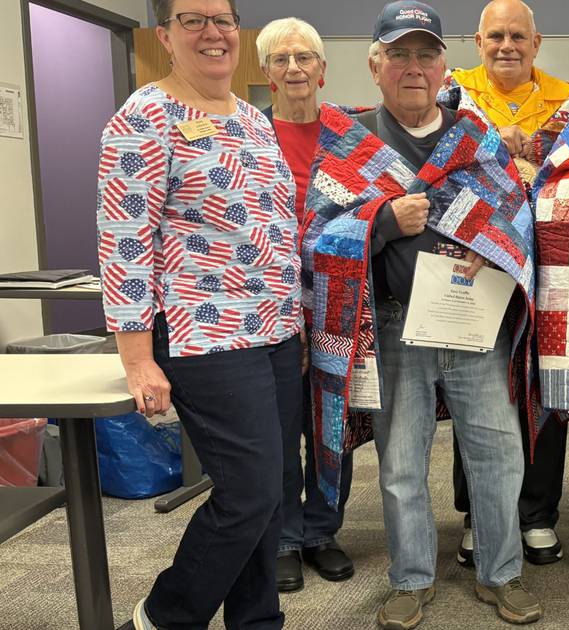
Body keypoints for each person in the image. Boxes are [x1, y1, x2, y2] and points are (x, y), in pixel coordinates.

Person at [301, 2, 542, 627]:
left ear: (443, 65)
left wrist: (492, 249)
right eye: (399, 54)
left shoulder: (474, 138)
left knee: (498, 456)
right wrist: (382, 222)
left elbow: (517, 216)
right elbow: (315, 240)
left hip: (473, 323)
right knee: (401, 463)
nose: (414, 67)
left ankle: (501, 573)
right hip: (393, 327)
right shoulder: (351, 143)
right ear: (375, 64)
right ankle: (410, 579)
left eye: (426, 54)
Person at [98, 1, 303, 628]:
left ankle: (257, 620)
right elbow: (124, 241)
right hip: (203, 332)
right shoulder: (143, 117)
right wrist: (137, 358)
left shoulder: (252, 118)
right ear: (165, 35)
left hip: (276, 329)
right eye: (193, 20)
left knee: (271, 494)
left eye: (222, 19)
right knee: (248, 494)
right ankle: (165, 616)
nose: (212, 32)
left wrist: (298, 315)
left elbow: (273, 222)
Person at [446, 0, 569, 569]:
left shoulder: (568, 100)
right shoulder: (452, 95)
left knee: (543, 389)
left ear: (536, 42)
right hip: (474, 268)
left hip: (547, 273)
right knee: (476, 391)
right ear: (478, 43)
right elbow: (436, 162)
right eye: (495, 36)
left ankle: (537, 513)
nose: (507, 46)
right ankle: (479, 513)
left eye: (518, 36)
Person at [254, 17, 355, 594]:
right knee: (280, 423)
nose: (294, 68)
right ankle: (284, 536)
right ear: (266, 72)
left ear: (322, 69)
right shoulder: (252, 134)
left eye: (304, 57)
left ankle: (322, 529)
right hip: (273, 302)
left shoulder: (347, 134)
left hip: (338, 300)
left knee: (330, 421)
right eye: (281, 59)